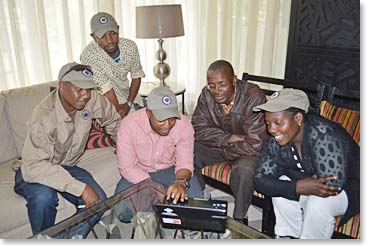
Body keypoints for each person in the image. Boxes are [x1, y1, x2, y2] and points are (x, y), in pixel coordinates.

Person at [13, 62, 121, 238]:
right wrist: (80, 188)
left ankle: (56, 240)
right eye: (79, 89)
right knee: (44, 198)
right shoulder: (43, 116)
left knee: (98, 202)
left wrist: (124, 147)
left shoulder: (91, 98)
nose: (86, 95)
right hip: (36, 167)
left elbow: (114, 122)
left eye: (89, 89)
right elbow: (34, 166)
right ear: (62, 86)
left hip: (66, 165)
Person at [253, 88, 360, 239]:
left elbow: (330, 186)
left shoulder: (324, 134)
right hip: (307, 181)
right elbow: (260, 180)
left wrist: (295, 182)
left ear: (298, 118)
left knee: (318, 203)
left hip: (352, 187)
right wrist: (298, 186)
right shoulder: (276, 140)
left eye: (277, 122)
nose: (272, 130)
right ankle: (289, 237)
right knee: (281, 185)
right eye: (268, 123)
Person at [191, 60, 268, 224]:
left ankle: (240, 219)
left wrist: (225, 148)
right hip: (221, 144)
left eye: (222, 84)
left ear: (234, 80)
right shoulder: (206, 94)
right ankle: (201, 198)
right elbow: (197, 128)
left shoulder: (253, 97)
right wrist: (228, 138)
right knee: (187, 150)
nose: (216, 91)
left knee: (245, 170)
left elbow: (255, 144)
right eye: (211, 85)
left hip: (247, 152)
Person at [115, 86, 203, 208]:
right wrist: (155, 188)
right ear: (148, 112)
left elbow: (185, 162)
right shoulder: (128, 126)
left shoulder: (184, 125)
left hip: (172, 170)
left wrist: (181, 183)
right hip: (139, 171)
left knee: (197, 205)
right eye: (161, 119)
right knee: (122, 210)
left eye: (172, 119)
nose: (167, 125)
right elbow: (127, 167)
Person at [80, 12, 145, 118]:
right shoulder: (89, 55)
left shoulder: (130, 47)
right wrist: (121, 112)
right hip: (104, 104)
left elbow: (136, 75)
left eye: (113, 33)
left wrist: (129, 104)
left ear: (118, 29)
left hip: (128, 98)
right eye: (103, 36)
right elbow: (106, 89)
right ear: (94, 37)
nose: (110, 40)